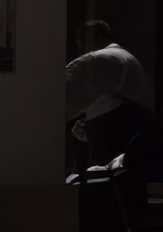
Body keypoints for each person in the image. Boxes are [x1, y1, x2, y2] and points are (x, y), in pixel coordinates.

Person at [66, 20, 156, 172]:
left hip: (113, 157)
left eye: (81, 43)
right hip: (131, 152)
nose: (80, 50)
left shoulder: (101, 59)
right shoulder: (125, 60)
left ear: (94, 39)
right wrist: (88, 131)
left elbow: (55, 101)